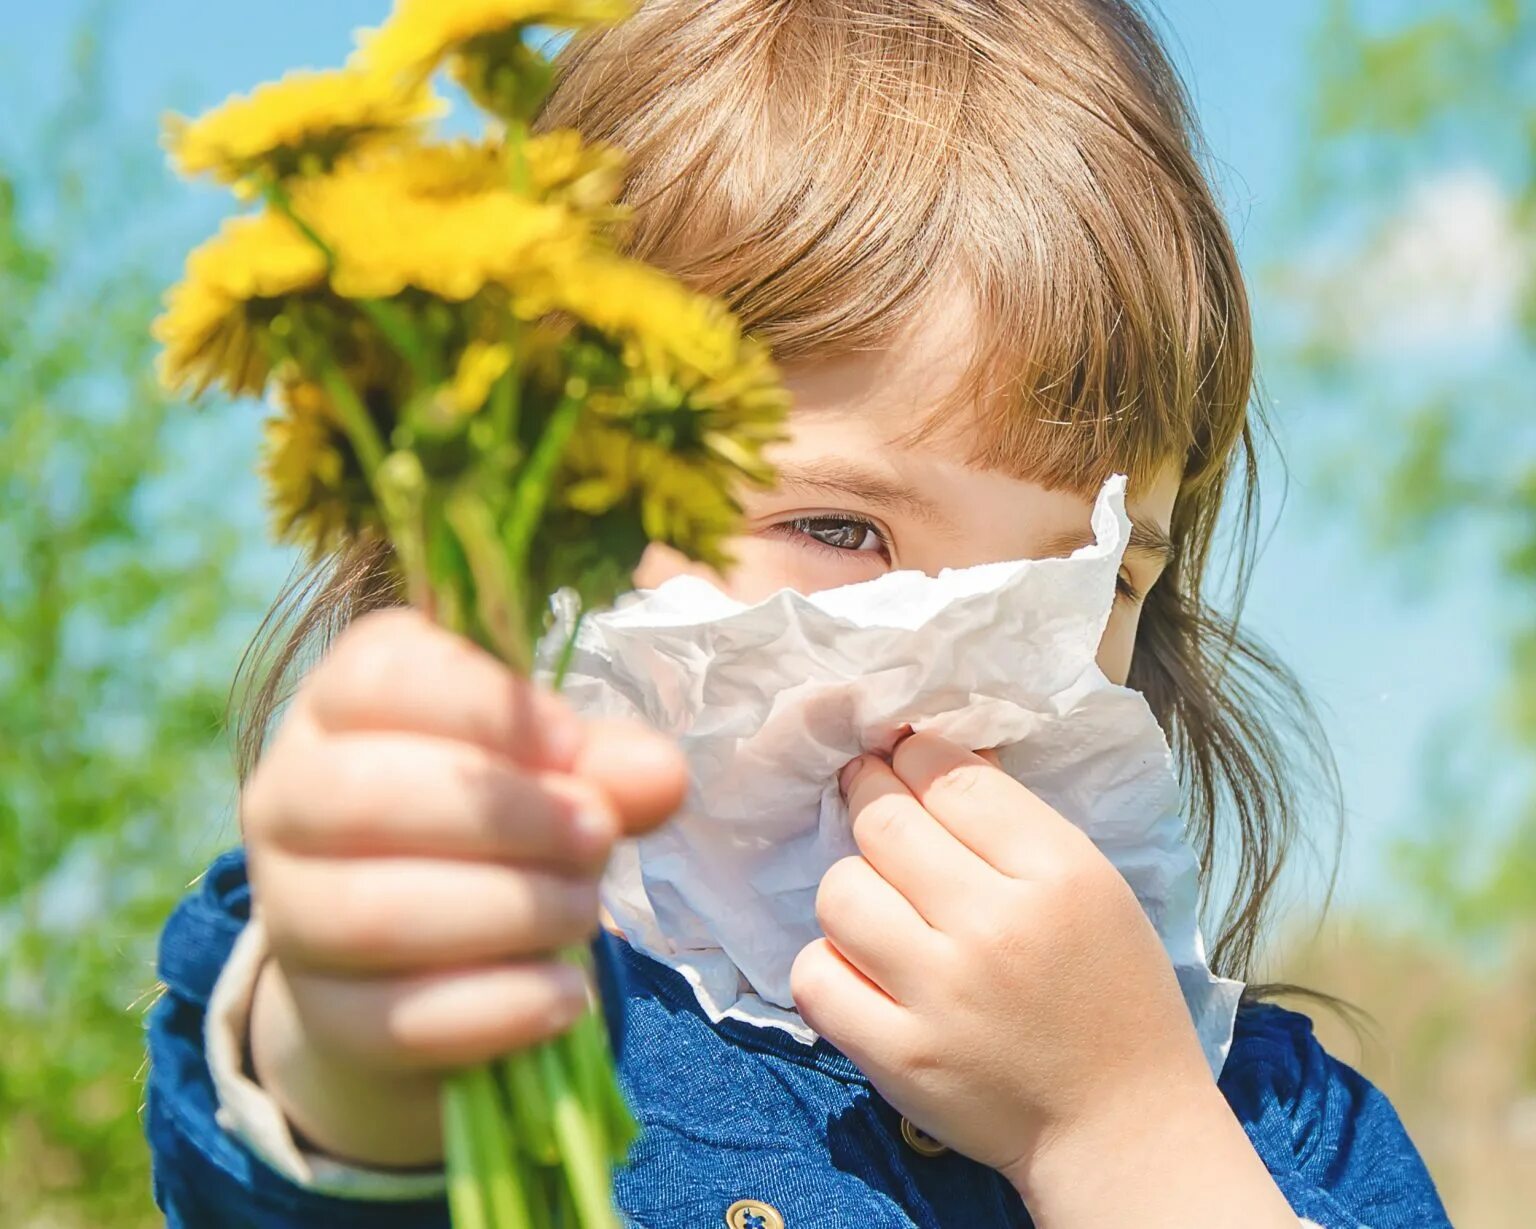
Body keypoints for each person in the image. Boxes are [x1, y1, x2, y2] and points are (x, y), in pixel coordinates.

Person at [143, 2, 1453, 1226]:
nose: (966, 686)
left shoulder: (1264, 1116)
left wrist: (1126, 1130)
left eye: (1090, 578)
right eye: (841, 529)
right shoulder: (526, 989)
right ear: (546, 512)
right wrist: (360, 1043)